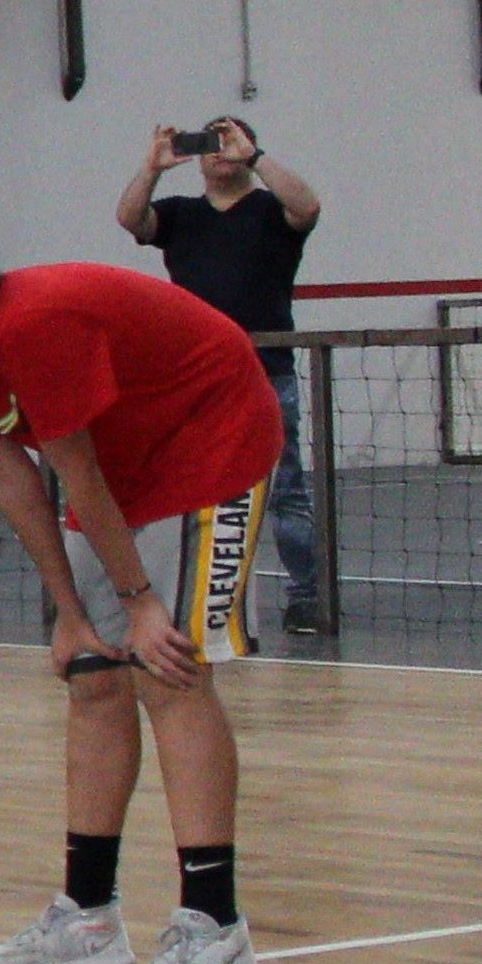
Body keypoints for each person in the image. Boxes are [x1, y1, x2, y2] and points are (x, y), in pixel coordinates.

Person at [0, 204, 280, 964]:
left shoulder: (38, 326)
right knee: (91, 673)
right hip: (123, 466)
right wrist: (71, 612)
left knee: (171, 672)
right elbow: (13, 475)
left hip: (212, 433)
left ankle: (218, 936)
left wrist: (142, 602)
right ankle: (87, 919)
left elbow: (73, 470)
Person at [121, 118, 326, 634]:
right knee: (188, 483)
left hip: (265, 368)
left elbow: (307, 207)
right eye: (208, 144)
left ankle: (306, 594)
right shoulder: (182, 215)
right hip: (195, 375)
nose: (218, 153)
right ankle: (196, 591)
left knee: (285, 487)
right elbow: (132, 220)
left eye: (226, 142)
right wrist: (152, 169)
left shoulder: (269, 212)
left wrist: (255, 157)